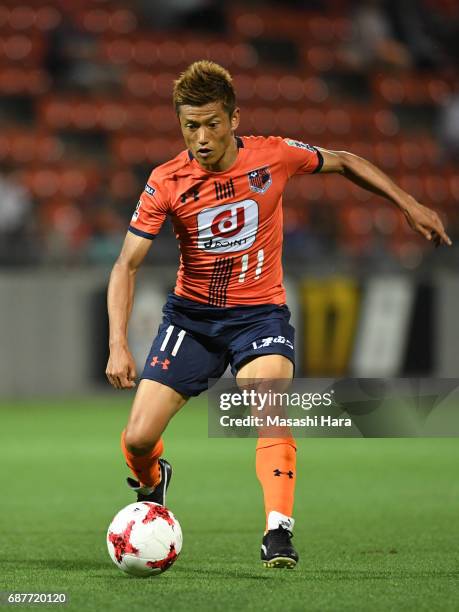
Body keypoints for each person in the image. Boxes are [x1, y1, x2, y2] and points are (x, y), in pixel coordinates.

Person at [105, 60, 451, 569]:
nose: (201, 137)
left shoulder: (274, 156)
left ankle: (278, 532)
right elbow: (125, 265)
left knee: (268, 410)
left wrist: (408, 203)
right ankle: (154, 482)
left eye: (212, 123)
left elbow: (344, 160)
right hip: (191, 320)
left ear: (234, 119)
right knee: (137, 439)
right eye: (190, 126)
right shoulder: (166, 182)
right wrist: (117, 341)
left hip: (259, 317)